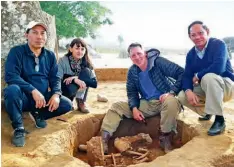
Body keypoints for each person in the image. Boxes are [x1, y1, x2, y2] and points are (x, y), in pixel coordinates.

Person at [100, 43, 184, 154]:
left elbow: (182, 73)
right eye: (133, 55)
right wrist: (134, 108)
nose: (137, 57)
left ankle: (165, 139)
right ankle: (103, 140)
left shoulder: (158, 62)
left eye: (139, 53)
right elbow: (132, 92)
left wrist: (172, 92)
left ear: (144, 53)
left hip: (165, 100)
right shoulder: (132, 71)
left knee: (172, 101)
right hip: (148, 103)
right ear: (130, 58)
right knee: (117, 106)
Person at [4, 21, 73, 147]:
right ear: (26, 35)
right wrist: (33, 90)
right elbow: (11, 76)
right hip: (23, 98)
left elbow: (55, 77)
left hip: (42, 99)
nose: (39, 37)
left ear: (46, 37)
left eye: (42, 33)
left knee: (66, 104)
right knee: (11, 90)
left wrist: (56, 94)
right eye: (34, 33)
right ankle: (19, 128)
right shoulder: (17, 52)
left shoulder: (50, 55)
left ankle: (37, 114)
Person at [178, 21, 234, 136]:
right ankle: (209, 111)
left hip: (227, 86)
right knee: (182, 96)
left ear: (207, 32)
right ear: (190, 37)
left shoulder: (219, 44)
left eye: (201, 33)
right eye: (193, 35)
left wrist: (198, 75)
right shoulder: (191, 54)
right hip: (209, 86)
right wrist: (188, 91)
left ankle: (219, 120)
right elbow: (187, 75)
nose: (197, 37)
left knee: (208, 77)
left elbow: (218, 68)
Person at [57, 38, 97, 113]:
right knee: (70, 82)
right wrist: (73, 79)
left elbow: (94, 83)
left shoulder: (87, 62)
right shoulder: (62, 60)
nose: (80, 51)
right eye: (77, 48)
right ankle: (68, 101)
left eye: (82, 49)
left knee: (86, 73)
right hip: (65, 88)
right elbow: (58, 78)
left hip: (80, 88)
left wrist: (76, 78)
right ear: (71, 49)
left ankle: (80, 101)